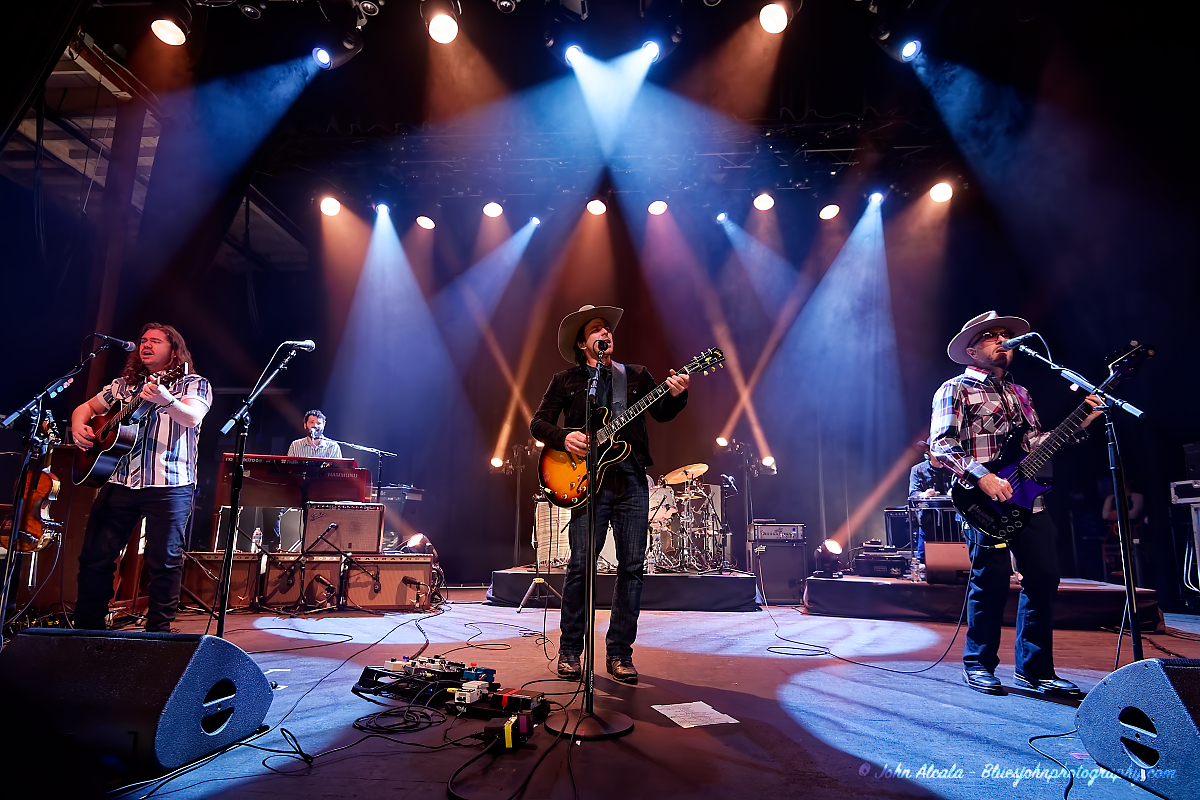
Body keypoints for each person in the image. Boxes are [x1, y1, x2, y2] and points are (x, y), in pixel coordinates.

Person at [930, 311, 1102, 696]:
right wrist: (983, 476)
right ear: (972, 350)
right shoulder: (955, 389)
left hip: (1028, 501)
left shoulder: (1020, 393)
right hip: (982, 501)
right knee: (989, 581)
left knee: (1044, 579)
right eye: (991, 336)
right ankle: (978, 664)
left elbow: (1034, 444)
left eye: (1005, 335)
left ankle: (1035, 671)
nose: (1002, 341)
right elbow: (941, 443)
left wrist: (1082, 421)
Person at [531, 304, 689, 684]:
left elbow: (662, 412)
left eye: (607, 328)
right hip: (587, 484)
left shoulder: (634, 376)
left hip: (631, 478)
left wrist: (676, 394)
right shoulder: (566, 380)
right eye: (596, 329)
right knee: (580, 566)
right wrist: (564, 437)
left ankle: (620, 653)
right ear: (582, 343)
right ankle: (571, 650)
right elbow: (538, 423)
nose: (605, 333)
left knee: (632, 567)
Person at [72, 323, 212, 632]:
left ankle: (158, 635)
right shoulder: (123, 386)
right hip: (120, 481)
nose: (146, 345)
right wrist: (79, 425)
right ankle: (87, 630)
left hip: (169, 484)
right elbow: (86, 408)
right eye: (144, 340)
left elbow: (192, 417)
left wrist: (166, 399)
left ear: (174, 350)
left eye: (156, 341)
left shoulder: (193, 383)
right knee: (95, 556)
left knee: (164, 560)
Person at [239, 410, 342, 552]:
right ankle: (274, 549)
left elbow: (336, 475)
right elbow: (288, 470)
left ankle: (312, 550)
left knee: (313, 514)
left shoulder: (333, 446)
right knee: (270, 508)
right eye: (312, 422)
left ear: (324, 425)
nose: (315, 426)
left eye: (319, 423)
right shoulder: (296, 445)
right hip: (295, 490)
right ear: (305, 425)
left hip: (320, 493)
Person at [907, 440, 955, 560]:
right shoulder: (918, 469)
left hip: (952, 520)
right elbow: (913, 493)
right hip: (928, 520)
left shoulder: (954, 469)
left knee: (954, 555)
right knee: (925, 558)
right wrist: (924, 494)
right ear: (928, 451)